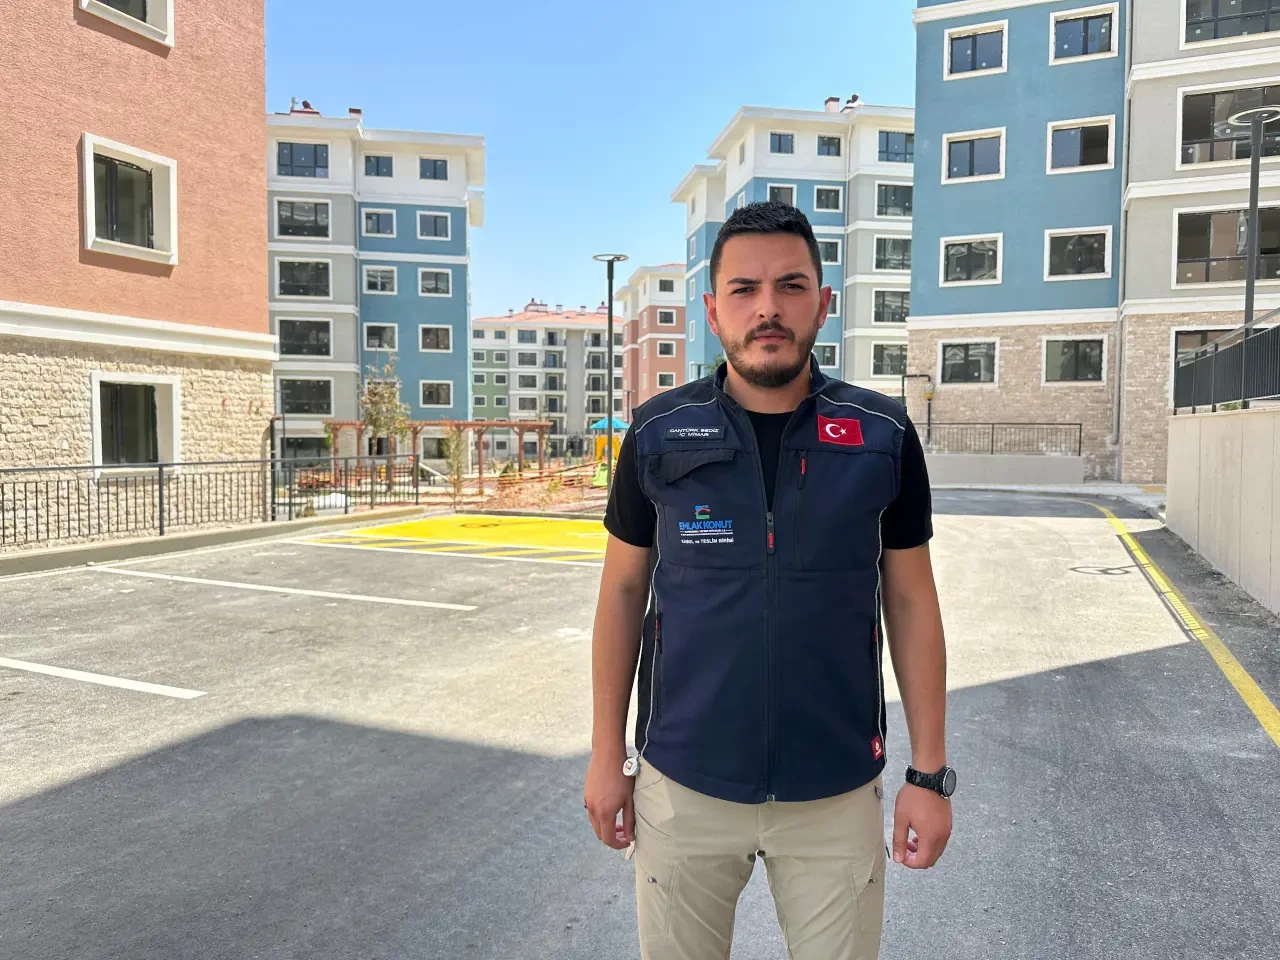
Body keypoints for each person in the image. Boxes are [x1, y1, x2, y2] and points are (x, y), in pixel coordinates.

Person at [583, 201, 952, 960]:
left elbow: (912, 600)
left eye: (790, 286)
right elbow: (621, 594)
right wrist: (604, 753)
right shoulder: (656, 433)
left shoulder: (881, 436)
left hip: (835, 792)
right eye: (744, 289)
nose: (768, 309)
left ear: (823, 302)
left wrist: (930, 772)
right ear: (713, 309)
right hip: (683, 784)